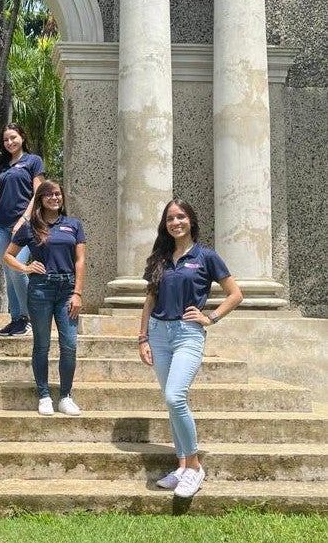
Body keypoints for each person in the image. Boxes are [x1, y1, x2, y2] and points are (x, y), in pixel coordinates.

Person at [139, 199, 243, 498]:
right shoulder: (159, 257)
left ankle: (195, 468)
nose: (176, 222)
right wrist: (142, 338)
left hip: (188, 334)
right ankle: (182, 466)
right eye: (170, 218)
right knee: (171, 403)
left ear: (191, 221)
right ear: (165, 224)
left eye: (181, 216)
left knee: (175, 396)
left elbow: (235, 294)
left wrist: (210, 317)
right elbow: (149, 300)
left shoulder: (206, 256)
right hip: (158, 334)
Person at [3, 180, 86, 416]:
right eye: (48, 194)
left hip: (67, 289)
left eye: (58, 194)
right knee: (42, 345)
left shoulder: (73, 225)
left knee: (69, 345)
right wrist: (26, 268)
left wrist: (78, 293)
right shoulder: (30, 227)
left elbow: (80, 261)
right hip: (40, 289)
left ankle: (66, 396)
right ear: (40, 199)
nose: (54, 198)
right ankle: (44, 395)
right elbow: (8, 256)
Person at [0, 123, 45, 336]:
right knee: (9, 272)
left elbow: (39, 193)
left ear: (22, 137)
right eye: (6, 140)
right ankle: (16, 320)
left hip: (23, 224)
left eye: (13, 137)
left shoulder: (33, 161)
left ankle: (28, 318)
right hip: (0, 225)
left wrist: (24, 218)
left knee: (18, 268)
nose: (9, 142)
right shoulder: (3, 166)